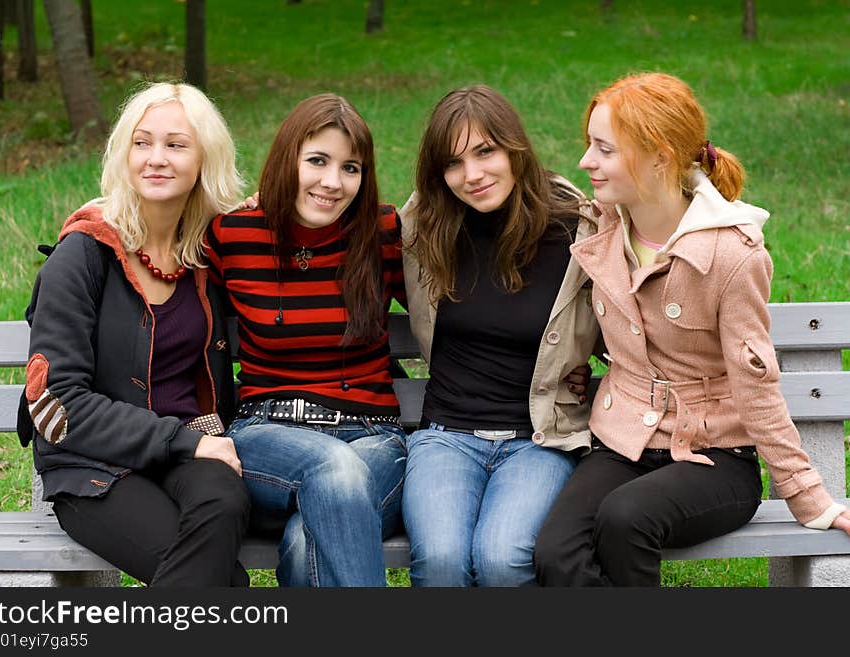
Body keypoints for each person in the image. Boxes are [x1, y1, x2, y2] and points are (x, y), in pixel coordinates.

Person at [533, 72, 850, 586]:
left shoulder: (731, 254)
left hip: (714, 458)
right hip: (623, 443)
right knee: (553, 552)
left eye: (603, 149)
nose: (586, 162)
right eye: (589, 145)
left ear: (659, 157)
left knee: (625, 519)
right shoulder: (606, 225)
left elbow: (756, 383)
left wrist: (807, 494)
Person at [19, 82, 251, 586]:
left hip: (188, 452)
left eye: (176, 144)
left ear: (204, 161)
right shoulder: (82, 255)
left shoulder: (207, 255)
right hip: (91, 468)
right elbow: (58, 404)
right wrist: (183, 440)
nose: (156, 158)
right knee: (226, 582)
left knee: (223, 496)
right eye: (142, 143)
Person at [398, 85, 601, 586]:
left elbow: (636, 332)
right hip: (446, 437)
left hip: (539, 442)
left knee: (502, 558)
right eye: (453, 163)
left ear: (515, 148)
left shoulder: (578, 228)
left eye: (485, 152)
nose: (472, 176)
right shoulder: (423, 231)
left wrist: (598, 388)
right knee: (442, 560)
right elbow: (332, 243)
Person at [206, 93, 407, 587]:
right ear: (286, 159)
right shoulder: (234, 235)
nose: (333, 183)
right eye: (317, 161)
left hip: (374, 437)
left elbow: (462, 276)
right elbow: (157, 263)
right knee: (332, 467)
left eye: (350, 167)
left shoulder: (380, 231)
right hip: (264, 435)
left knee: (302, 546)